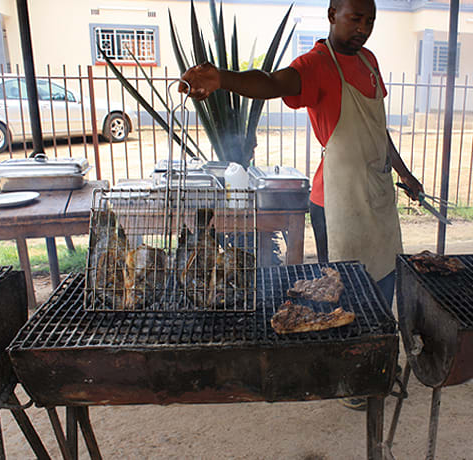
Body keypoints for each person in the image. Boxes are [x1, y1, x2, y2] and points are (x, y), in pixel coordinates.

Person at [181, 0, 422, 408]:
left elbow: (379, 131)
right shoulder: (315, 65)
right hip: (337, 200)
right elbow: (271, 83)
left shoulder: (369, 61)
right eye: (354, 18)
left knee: (383, 284)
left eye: (370, 20)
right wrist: (223, 79)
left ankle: (377, 359)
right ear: (332, 16)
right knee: (347, 294)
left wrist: (403, 170)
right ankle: (350, 374)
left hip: (377, 194)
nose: (363, 28)